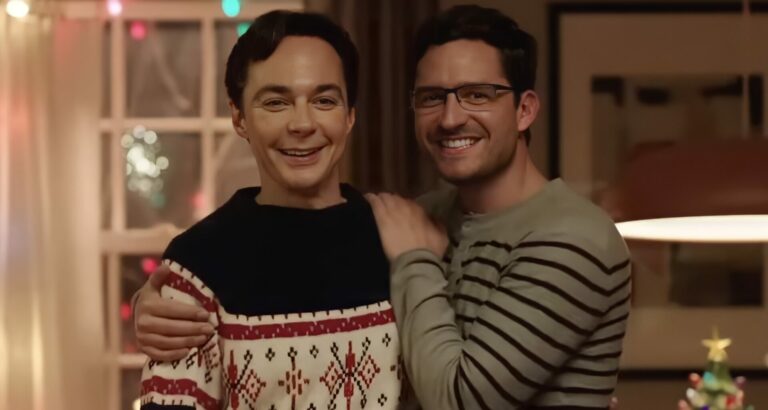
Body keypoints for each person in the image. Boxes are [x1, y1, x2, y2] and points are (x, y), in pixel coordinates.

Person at [135, 5, 632, 409]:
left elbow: (461, 399)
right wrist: (152, 304)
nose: (451, 118)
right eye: (432, 97)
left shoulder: (566, 239)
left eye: (477, 95)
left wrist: (414, 260)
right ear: (239, 117)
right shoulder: (417, 219)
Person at [138, 10, 407, 409]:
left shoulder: (401, 238)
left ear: (350, 115)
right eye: (276, 102)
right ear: (239, 118)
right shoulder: (197, 265)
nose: (302, 124)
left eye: (324, 100)